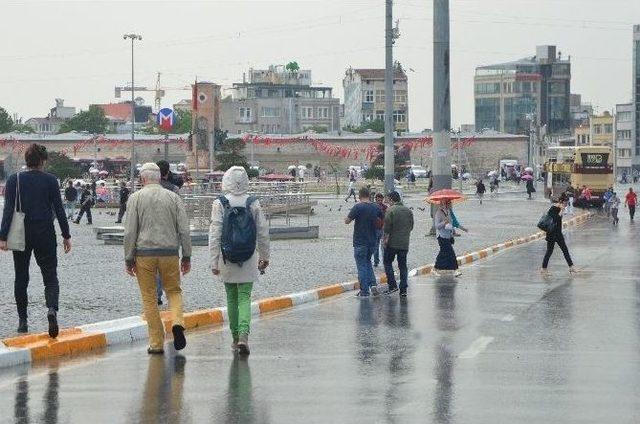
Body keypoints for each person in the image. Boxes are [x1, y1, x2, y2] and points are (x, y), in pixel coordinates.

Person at [0, 144, 72, 336]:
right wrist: (66, 235)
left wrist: (2, 237)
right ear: (42, 161)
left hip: (21, 233)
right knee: (50, 275)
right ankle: (51, 310)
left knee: (21, 277)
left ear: (27, 160)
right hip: (45, 233)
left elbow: (8, 210)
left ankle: (23, 321)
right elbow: (59, 209)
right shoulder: (50, 180)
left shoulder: (14, 180)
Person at [124, 162, 192, 354]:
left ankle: (156, 342)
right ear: (160, 177)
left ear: (143, 179)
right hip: (170, 253)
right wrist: (186, 256)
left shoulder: (135, 198)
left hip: (144, 255)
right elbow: (184, 230)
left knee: (149, 297)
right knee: (174, 291)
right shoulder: (173, 197)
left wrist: (129, 258)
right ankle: (177, 322)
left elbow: (130, 232)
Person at [209, 166, 270, 356]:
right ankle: (244, 335)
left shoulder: (219, 203)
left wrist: (214, 261)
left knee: (231, 298)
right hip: (249, 256)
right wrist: (265, 256)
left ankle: (235, 338)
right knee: (244, 297)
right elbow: (262, 231)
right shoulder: (253, 203)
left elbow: (215, 233)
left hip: (227, 258)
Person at [345, 187, 384, 297]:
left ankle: (364, 291)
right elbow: (383, 218)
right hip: (372, 240)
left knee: (361, 265)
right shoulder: (376, 206)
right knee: (367, 262)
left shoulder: (358, 207)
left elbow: (347, 221)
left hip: (360, 241)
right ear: (369, 195)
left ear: (359, 195)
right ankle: (373, 285)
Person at [382, 191, 413, 296]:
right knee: (403, 266)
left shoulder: (390, 210)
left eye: (388, 199)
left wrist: (385, 241)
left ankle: (392, 285)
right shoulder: (408, 211)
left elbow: (387, 228)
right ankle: (403, 289)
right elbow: (411, 226)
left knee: (387, 262)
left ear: (391, 199)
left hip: (392, 243)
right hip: (404, 243)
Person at [541, 194, 575, 274]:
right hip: (552, 234)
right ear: (562, 202)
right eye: (566, 203)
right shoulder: (554, 208)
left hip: (558, 233)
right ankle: (543, 269)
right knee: (549, 251)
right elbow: (555, 220)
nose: (567, 204)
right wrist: (561, 211)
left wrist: (561, 210)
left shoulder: (559, 208)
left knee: (565, 250)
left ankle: (571, 267)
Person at [434, 199, 459, 275]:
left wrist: (453, 232)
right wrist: (444, 222)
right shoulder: (439, 213)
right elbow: (437, 226)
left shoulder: (448, 212)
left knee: (443, 253)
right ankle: (455, 270)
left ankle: (435, 269)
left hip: (448, 236)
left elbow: (450, 224)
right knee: (451, 253)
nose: (450, 205)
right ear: (443, 204)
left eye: (450, 204)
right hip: (441, 236)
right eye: (449, 204)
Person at [373, 192, 388, 267]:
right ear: (375, 200)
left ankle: (383, 261)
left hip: (383, 229)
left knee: (383, 246)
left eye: (380, 200)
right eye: (378, 200)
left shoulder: (385, 207)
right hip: (375, 229)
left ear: (382, 199)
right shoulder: (372, 207)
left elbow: (387, 218)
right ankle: (376, 261)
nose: (379, 202)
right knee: (376, 246)